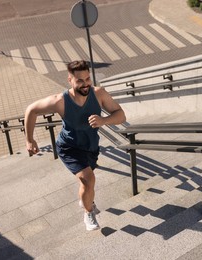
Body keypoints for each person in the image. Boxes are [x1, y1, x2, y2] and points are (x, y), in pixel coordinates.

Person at [24, 60, 126, 231]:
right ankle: (88, 212)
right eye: (80, 81)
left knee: (87, 183)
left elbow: (120, 115)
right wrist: (29, 139)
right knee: (88, 179)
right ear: (70, 80)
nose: (85, 84)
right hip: (69, 147)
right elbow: (31, 110)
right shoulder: (60, 101)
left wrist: (104, 120)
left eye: (87, 79)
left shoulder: (98, 94)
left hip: (91, 146)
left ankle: (85, 200)